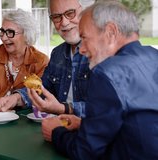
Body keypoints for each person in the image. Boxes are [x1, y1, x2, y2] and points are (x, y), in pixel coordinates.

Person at [41, 1, 158, 159]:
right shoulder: (153, 56)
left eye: (84, 37)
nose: (81, 49)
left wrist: (55, 133)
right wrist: (83, 124)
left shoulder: (107, 73)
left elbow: (85, 151)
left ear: (110, 32)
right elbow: (138, 123)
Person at [0, 0, 91, 118]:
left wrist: (62, 108)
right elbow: (43, 88)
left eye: (70, 13)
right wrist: (17, 98)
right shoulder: (57, 53)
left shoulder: (103, 52)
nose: (64, 22)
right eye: (56, 17)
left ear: (86, 12)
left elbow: (108, 108)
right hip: (59, 127)